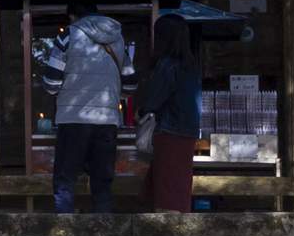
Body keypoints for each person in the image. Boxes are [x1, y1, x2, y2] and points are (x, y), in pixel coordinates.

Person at [46, 11, 127, 213]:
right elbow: (131, 85)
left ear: (73, 16)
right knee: (102, 185)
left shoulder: (67, 35)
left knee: (65, 182)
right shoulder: (118, 38)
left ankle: (62, 232)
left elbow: (51, 83)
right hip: (107, 121)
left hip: (73, 119)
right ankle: (103, 235)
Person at [135, 12, 206, 213]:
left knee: (166, 189)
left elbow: (154, 99)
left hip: (170, 133)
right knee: (179, 187)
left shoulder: (167, 65)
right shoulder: (191, 67)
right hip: (188, 133)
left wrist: (140, 112)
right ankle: (177, 234)